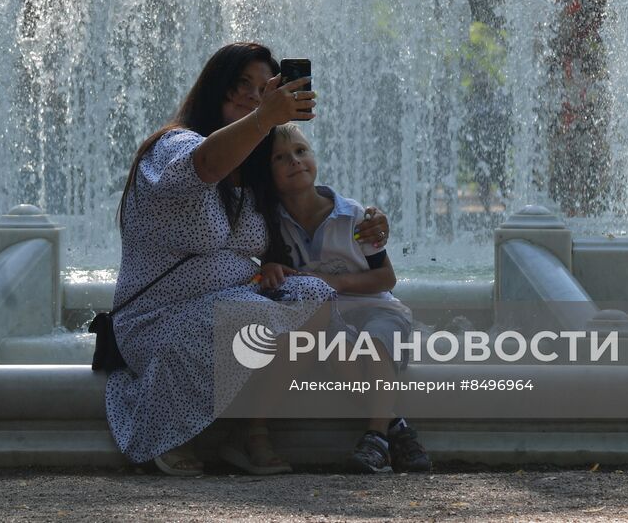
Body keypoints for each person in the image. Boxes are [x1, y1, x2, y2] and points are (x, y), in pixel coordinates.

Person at [104, 42, 389, 476]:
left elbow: (304, 200)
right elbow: (204, 165)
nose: (250, 95)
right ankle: (169, 431)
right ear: (214, 87)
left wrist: (369, 219)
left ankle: (250, 431)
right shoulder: (174, 145)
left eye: (263, 89)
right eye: (240, 84)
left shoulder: (251, 171)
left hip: (228, 307)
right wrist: (263, 119)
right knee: (243, 311)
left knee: (311, 293)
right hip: (157, 321)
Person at [250, 123, 432, 474]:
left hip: (377, 307)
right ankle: (397, 428)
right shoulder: (272, 225)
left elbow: (386, 278)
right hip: (331, 319)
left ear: (314, 158)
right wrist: (270, 266)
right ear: (267, 172)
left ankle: (376, 436)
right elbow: (270, 272)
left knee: (376, 345)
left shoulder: (355, 217)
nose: (295, 161)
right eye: (281, 158)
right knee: (341, 355)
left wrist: (332, 280)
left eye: (301, 152)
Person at [549, 0, 628, 217]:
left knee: (570, 187)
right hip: (602, 99)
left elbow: (550, 41)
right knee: (602, 186)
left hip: (566, 94)